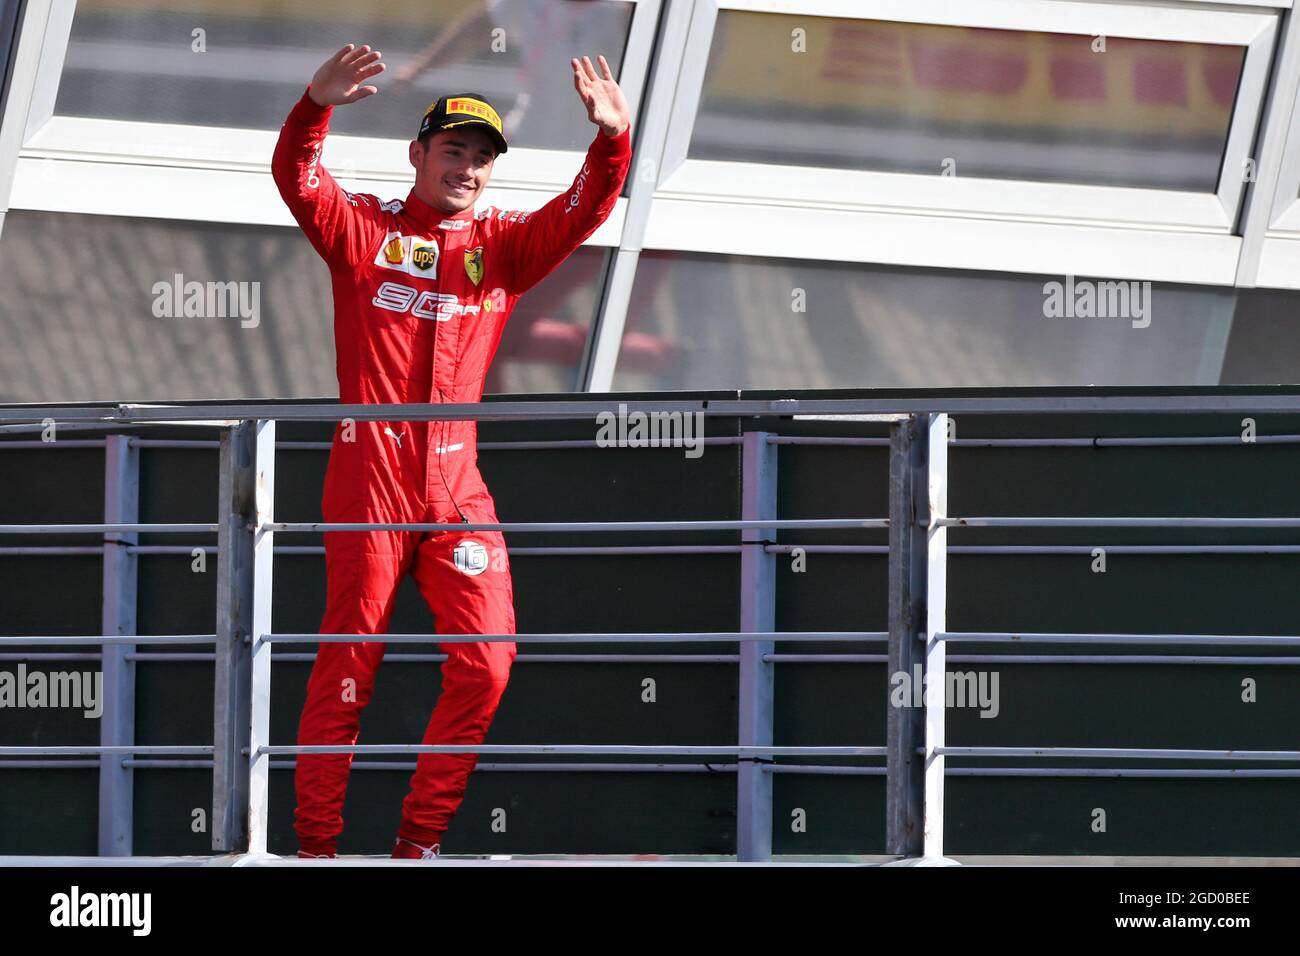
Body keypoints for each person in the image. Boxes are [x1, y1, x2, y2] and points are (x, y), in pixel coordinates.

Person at [272, 43, 632, 860]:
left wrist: (612, 140)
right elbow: (299, 181)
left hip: (457, 487)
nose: (466, 168)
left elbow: (584, 209)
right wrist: (312, 109)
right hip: (368, 480)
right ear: (418, 156)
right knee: (348, 669)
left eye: (481, 158)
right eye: (453, 151)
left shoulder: (505, 246)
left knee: (487, 665)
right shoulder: (364, 230)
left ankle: (418, 845)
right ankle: (316, 851)